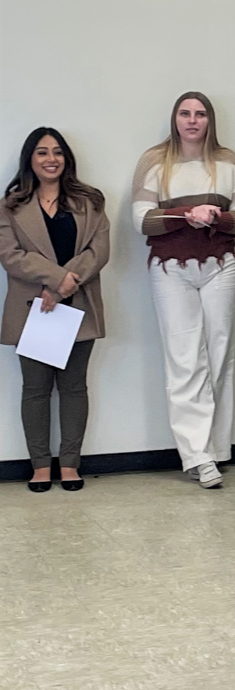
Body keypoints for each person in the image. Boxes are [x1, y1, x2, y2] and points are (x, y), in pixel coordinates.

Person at [132, 92, 235, 489]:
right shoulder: (155, 162)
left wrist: (216, 216)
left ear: (209, 120)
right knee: (185, 359)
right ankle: (196, 456)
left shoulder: (228, 163)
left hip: (221, 267)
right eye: (185, 113)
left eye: (200, 114)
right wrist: (187, 215)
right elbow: (142, 221)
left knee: (219, 353)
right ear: (175, 119)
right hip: (170, 270)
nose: (192, 120)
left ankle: (216, 449)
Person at [0, 128, 109, 493]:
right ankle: (40, 466)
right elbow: (12, 257)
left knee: (74, 387)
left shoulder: (90, 201)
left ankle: (71, 463)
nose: (51, 159)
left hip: (78, 305)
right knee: (35, 389)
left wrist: (66, 285)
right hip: (35, 307)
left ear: (67, 159)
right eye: (43, 152)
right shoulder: (11, 205)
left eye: (58, 152)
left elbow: (99, 250)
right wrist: (57, 280)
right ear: (30, 159)